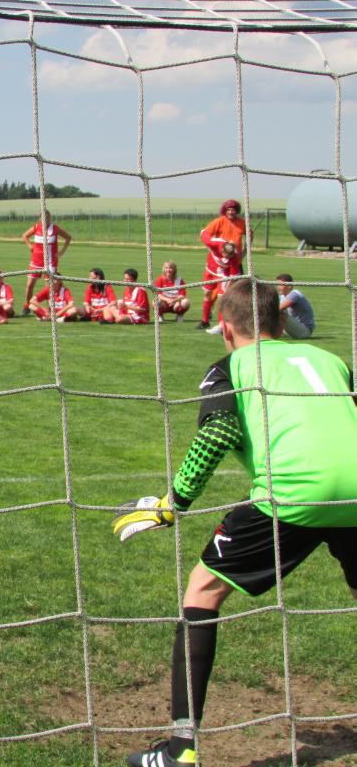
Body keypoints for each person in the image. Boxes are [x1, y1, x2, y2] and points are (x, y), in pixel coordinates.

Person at [113, 279, 357, 767]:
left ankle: (181, 749)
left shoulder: (232, 365)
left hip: (293, 493)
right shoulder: (330, 360)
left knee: (203, 590)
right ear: (281, 322)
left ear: (225, 329)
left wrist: (173, 503)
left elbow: (218, 432)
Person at [197, 199, 249, 329]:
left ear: (237, 211)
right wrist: (212, 245)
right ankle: (206, 320)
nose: (231, 212)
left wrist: (244, 252)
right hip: (215, 266)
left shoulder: (242, 223)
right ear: (225, 211)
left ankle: (229, 322)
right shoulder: (219, 223)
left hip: (233, 265)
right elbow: (205, 234)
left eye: (233, 210)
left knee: (233, 294)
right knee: (210, 294)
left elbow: (250, 236)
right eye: (229, 210)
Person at [21, 210, 71, 316]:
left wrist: (61, 252)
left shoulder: (55, 228)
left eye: (47, 217)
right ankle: (27, 306)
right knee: (29, 285)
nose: (45, 220)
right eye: (43, 218)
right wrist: (30, 246)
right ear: (40, 218)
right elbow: (24, 236)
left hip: (50, 262)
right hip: (36, 261)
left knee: (49, 287)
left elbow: (68, 237)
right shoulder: (36, 227)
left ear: (50, 218)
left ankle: (50, 309)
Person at [276, 273, 315, 339]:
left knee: (280, 314)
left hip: (304, 331)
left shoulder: (294, 294)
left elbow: (278, 309)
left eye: (281, 285)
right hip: (293, 329)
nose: (278, 287)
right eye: (277, 284)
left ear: (289, 286)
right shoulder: (282, 296)